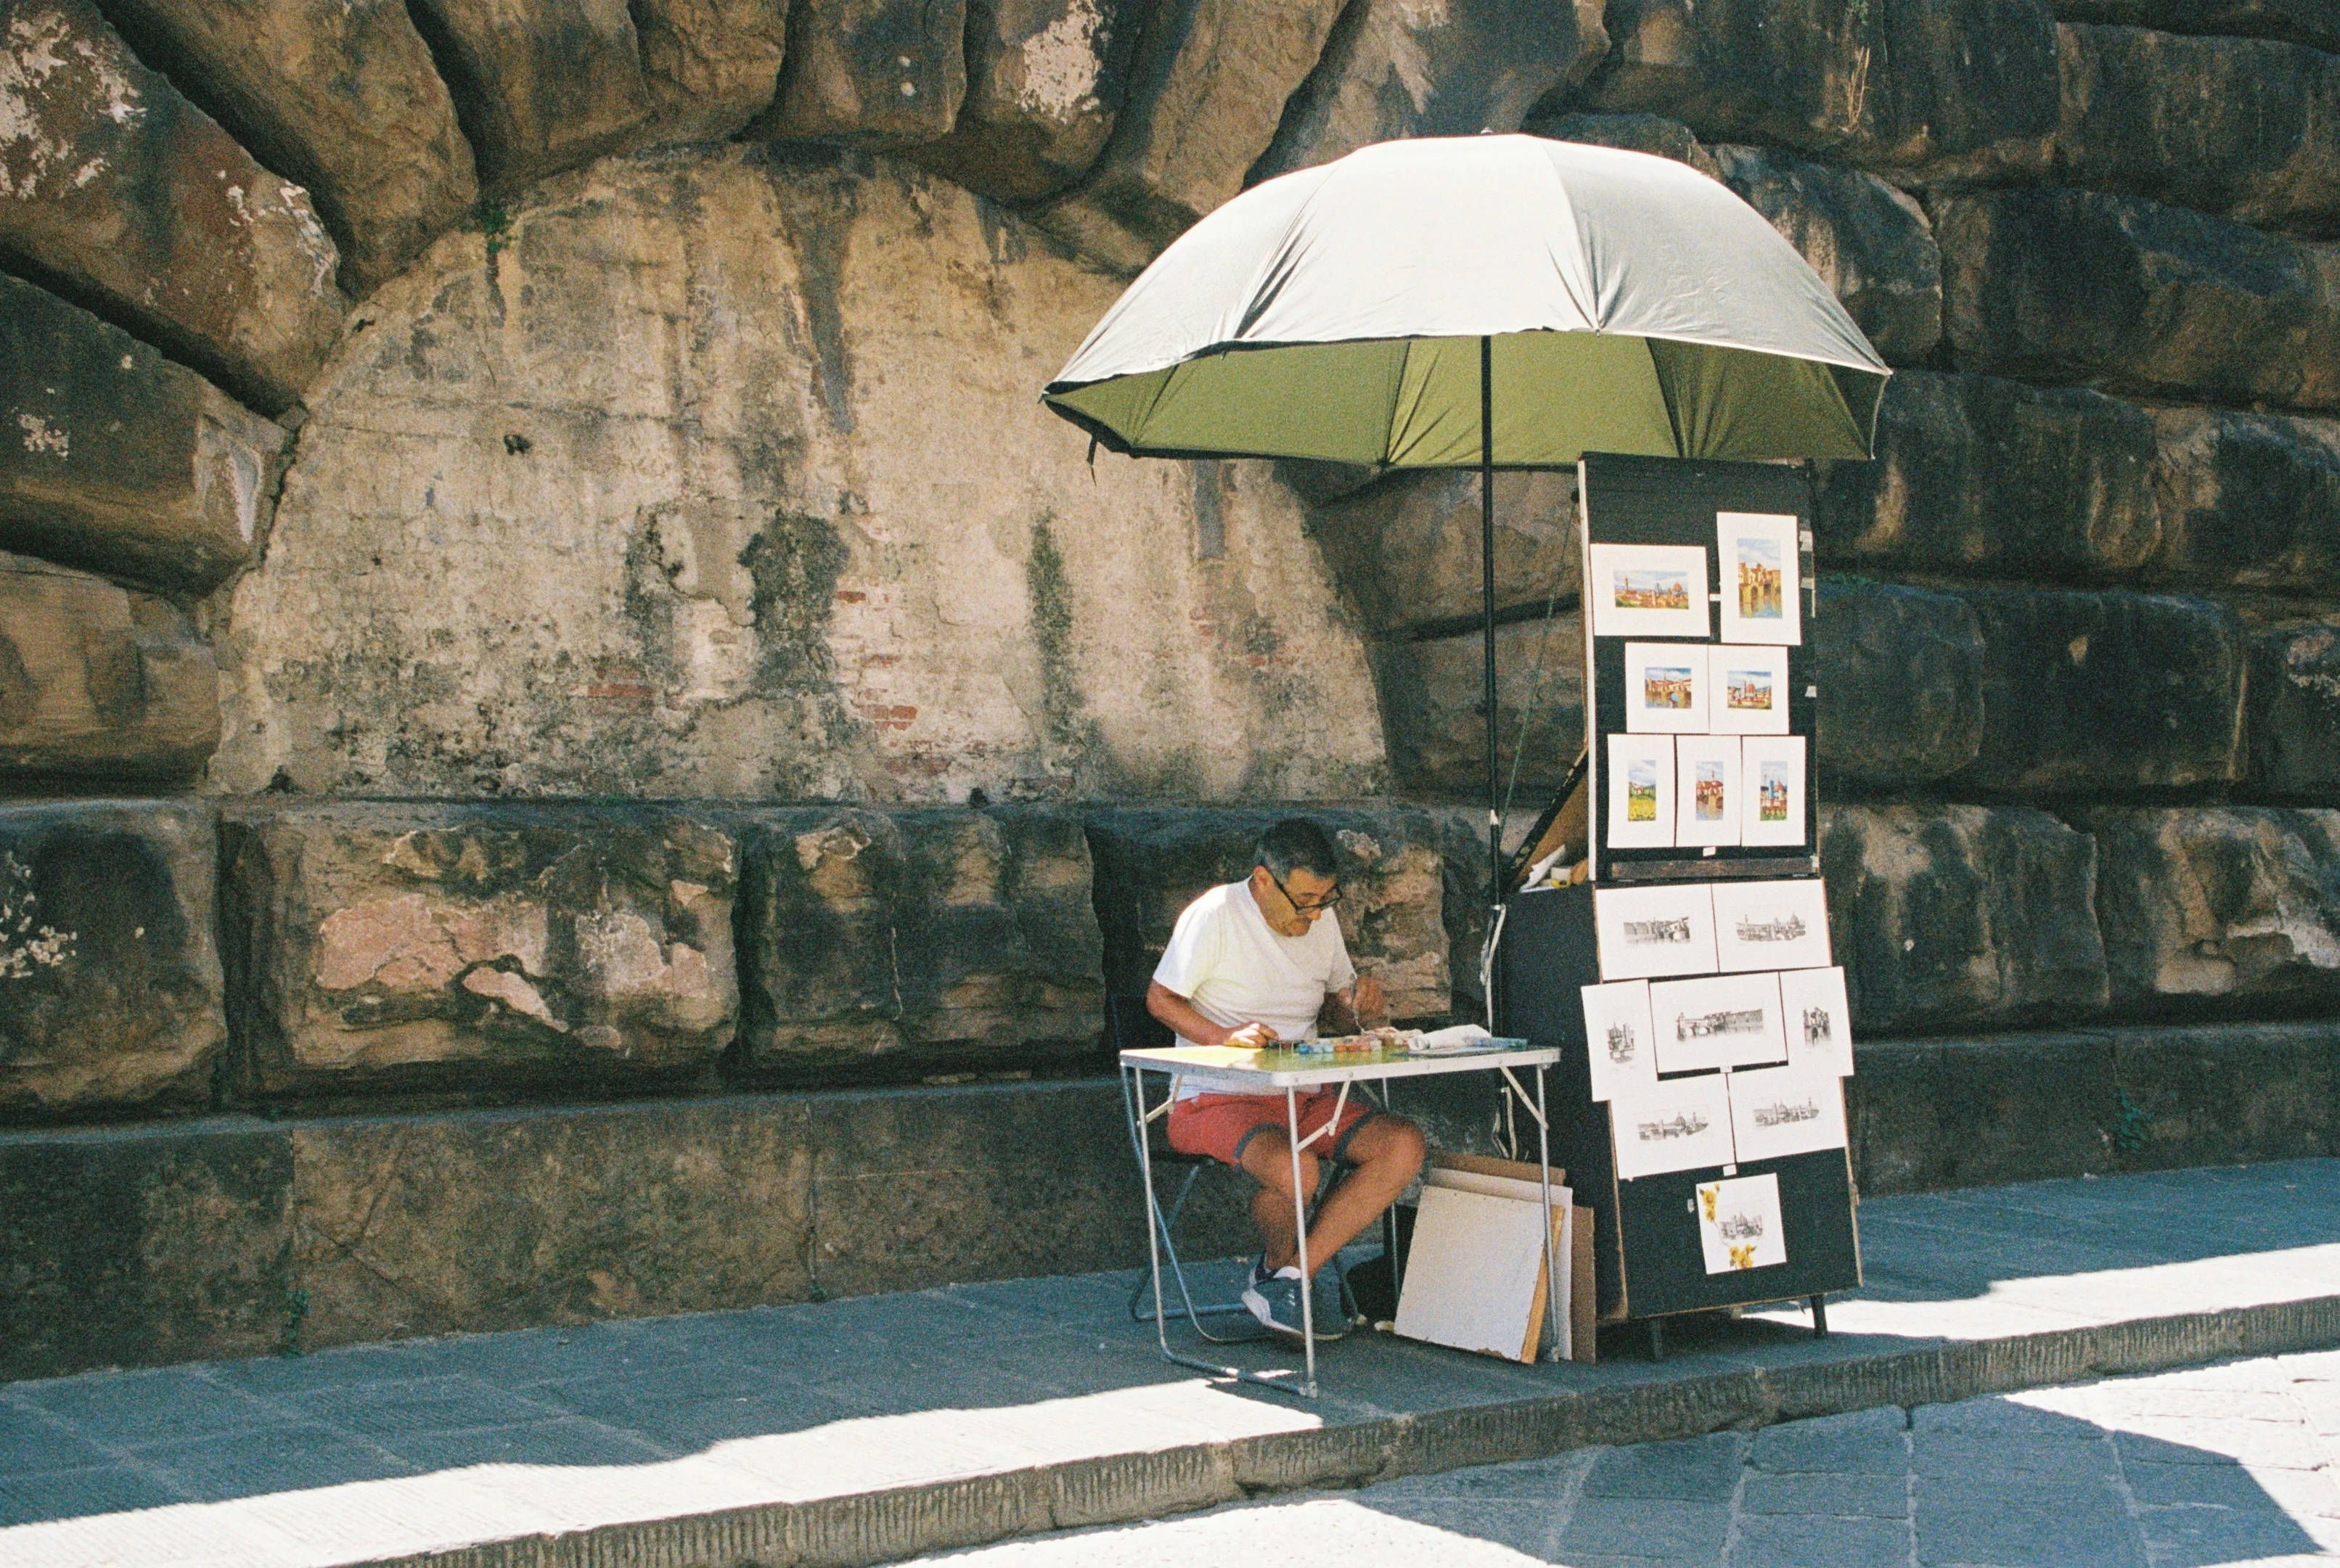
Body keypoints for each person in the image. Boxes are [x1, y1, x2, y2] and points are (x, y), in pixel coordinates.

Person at [1147, 818, 1428, 1339]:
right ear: (1261, 881)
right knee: (1297, 1170)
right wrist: (1223, 1036)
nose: (1315, 913)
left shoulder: (1321, 921)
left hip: (1303, 1093)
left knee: (1403, 1144)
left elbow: (1336, 1015)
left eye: (1325, 899)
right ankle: (1283, 1275)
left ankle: (1290, 1277)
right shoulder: (1216, 913)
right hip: (1215, 1097)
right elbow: (1159, 1000)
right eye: (1303, 901)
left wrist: (1357, 1006)